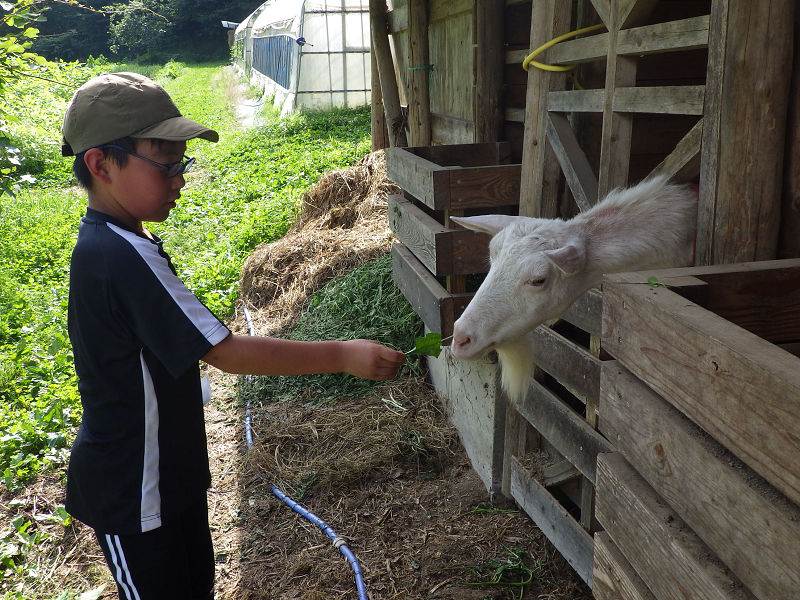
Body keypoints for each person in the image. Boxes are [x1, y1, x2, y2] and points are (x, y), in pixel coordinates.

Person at [60, 72, 406, 600]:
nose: (179, 178)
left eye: (183, 163)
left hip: (166, 473)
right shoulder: (115, 256)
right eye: (165, 163)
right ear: (101, 164)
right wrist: (341, 353)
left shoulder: (127, 240)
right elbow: (224, 351)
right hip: (134, 489)